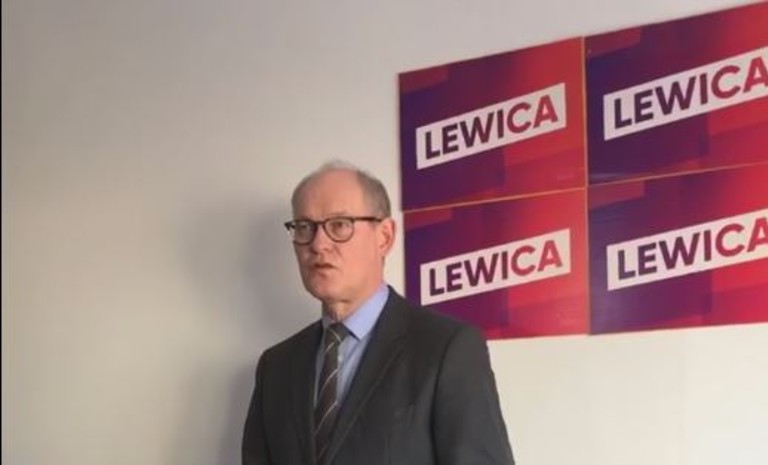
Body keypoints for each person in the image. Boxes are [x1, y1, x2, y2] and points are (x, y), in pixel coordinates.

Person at [242, 160, 515, 465]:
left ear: (384, 236)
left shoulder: (446, 349)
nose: (318, 244)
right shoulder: (275, 368)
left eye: (339, 225)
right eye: (305, 227)